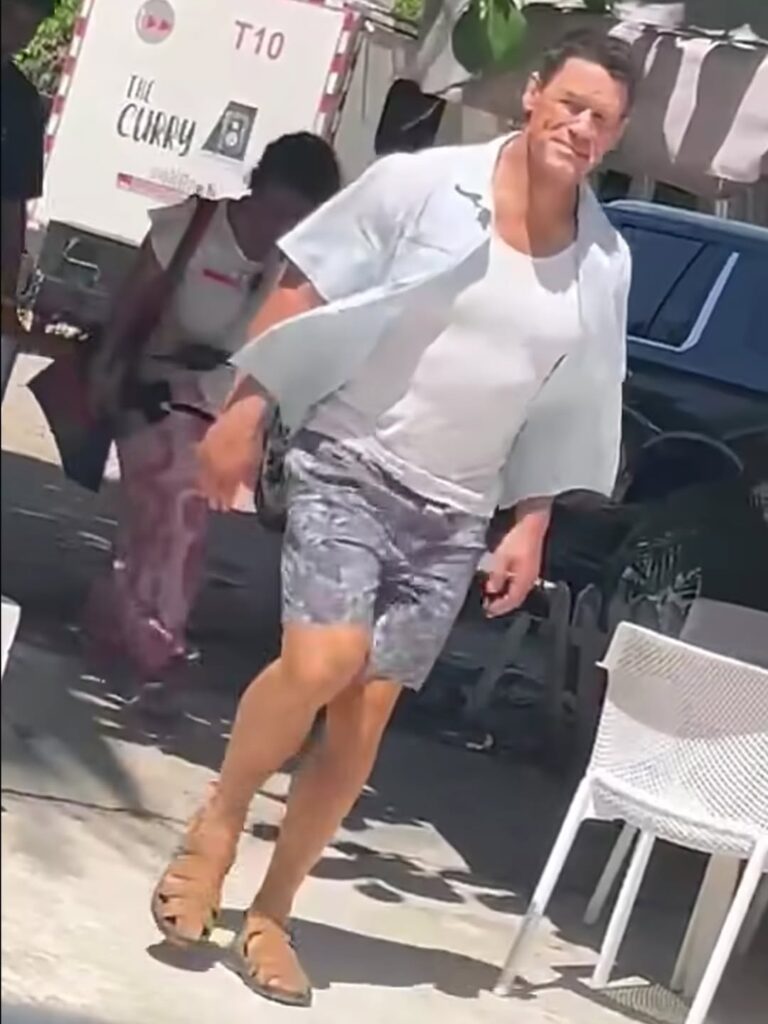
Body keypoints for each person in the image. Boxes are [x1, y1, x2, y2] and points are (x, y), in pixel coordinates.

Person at [152, 30, 636, 1006]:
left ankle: (273, 914)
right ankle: (220, 817)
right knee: (323, 660)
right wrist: (246, 409)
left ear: (613, 138)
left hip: (455, 511)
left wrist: (530, 519)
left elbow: (569, 396)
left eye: (602, 119)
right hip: (350, 461)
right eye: (570, 103)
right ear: (533, 96)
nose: (580, 128)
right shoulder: (425, 185)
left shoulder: (603, 259)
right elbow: (308, 278)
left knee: (363, 719)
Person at [83, 133, 341, 704]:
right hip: (153, 389)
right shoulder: (193, 227)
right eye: (275, 210)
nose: (280, 227)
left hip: (226, 410)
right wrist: (105, 367)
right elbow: (132, 302)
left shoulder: (301, 267)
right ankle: (158, 648)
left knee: (157, 524)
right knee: (179, 514)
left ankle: (116, 622)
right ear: (255, 188)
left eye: (297, 219)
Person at [1, 0, 52, 338]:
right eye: (9, 19)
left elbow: (12, 206)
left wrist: (6, 298)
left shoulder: (20, 101)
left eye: (27, 26)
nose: (16, 34)